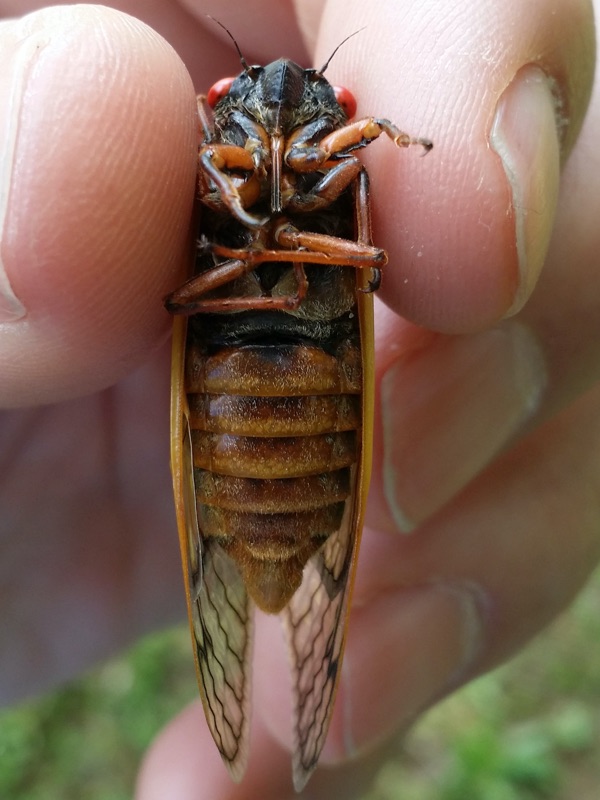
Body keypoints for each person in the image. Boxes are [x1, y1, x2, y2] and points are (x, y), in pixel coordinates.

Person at [1, 2, 598, 797]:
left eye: (337, 111)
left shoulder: (338, 161)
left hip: (267, 379)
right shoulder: (221, 156)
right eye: (233, 99)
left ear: (340, 121)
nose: (279, 101)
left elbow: (370, 224)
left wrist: (384, 134)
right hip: (258, 382)